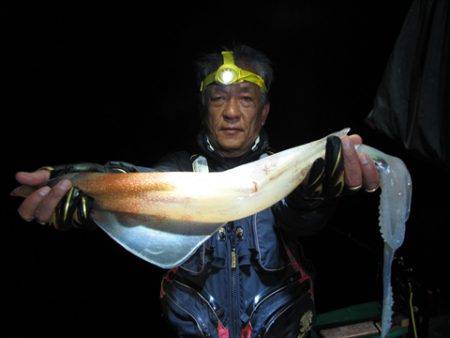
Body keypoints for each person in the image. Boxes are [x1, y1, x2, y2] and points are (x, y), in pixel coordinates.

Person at [11, 45, 379, 337]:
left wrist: (314, 195)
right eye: (218, 98)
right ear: (204, 108)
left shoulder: (287, 169)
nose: (231, 112)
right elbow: (141, 189)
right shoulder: (178, 168)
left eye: (246, 98)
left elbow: (302, 220)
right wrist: (89, 196)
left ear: (263, 112)